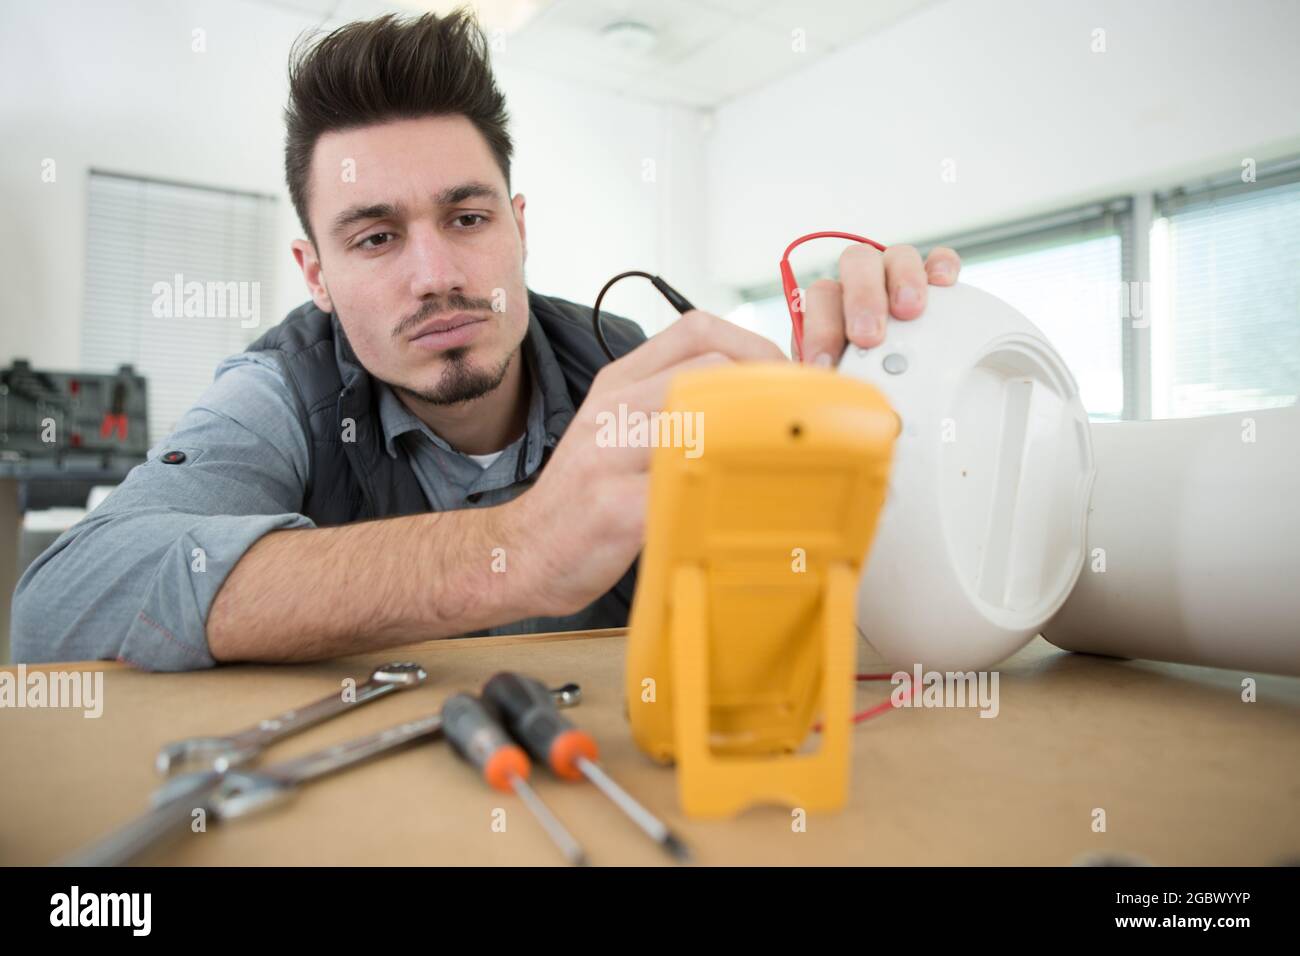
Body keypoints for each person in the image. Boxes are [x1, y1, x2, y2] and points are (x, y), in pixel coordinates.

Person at [11, 11, 961, 670]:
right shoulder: (278, 394)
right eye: (376, 237)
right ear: (316, 276)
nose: (435, 273)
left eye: (466, 218)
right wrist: (517, 547)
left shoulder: (626, 366)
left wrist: (885, 395)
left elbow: (801, 609)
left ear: (516, 226)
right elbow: (59, 608)